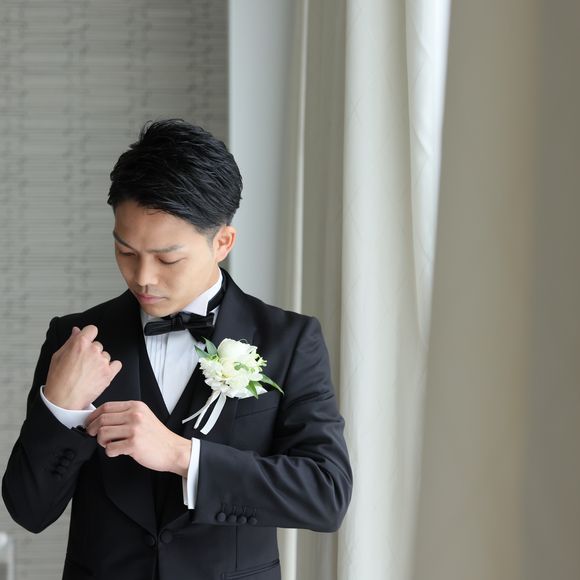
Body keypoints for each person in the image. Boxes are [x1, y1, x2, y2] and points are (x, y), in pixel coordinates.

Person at [2, 120, 352, 580]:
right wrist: (60, 409)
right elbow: (29, 510)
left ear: (222, 242)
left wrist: (182, 456)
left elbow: (326, 495)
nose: (143, 277)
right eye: (126, 252)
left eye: (167, 258)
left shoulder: (289, 340)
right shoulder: (76, 339)